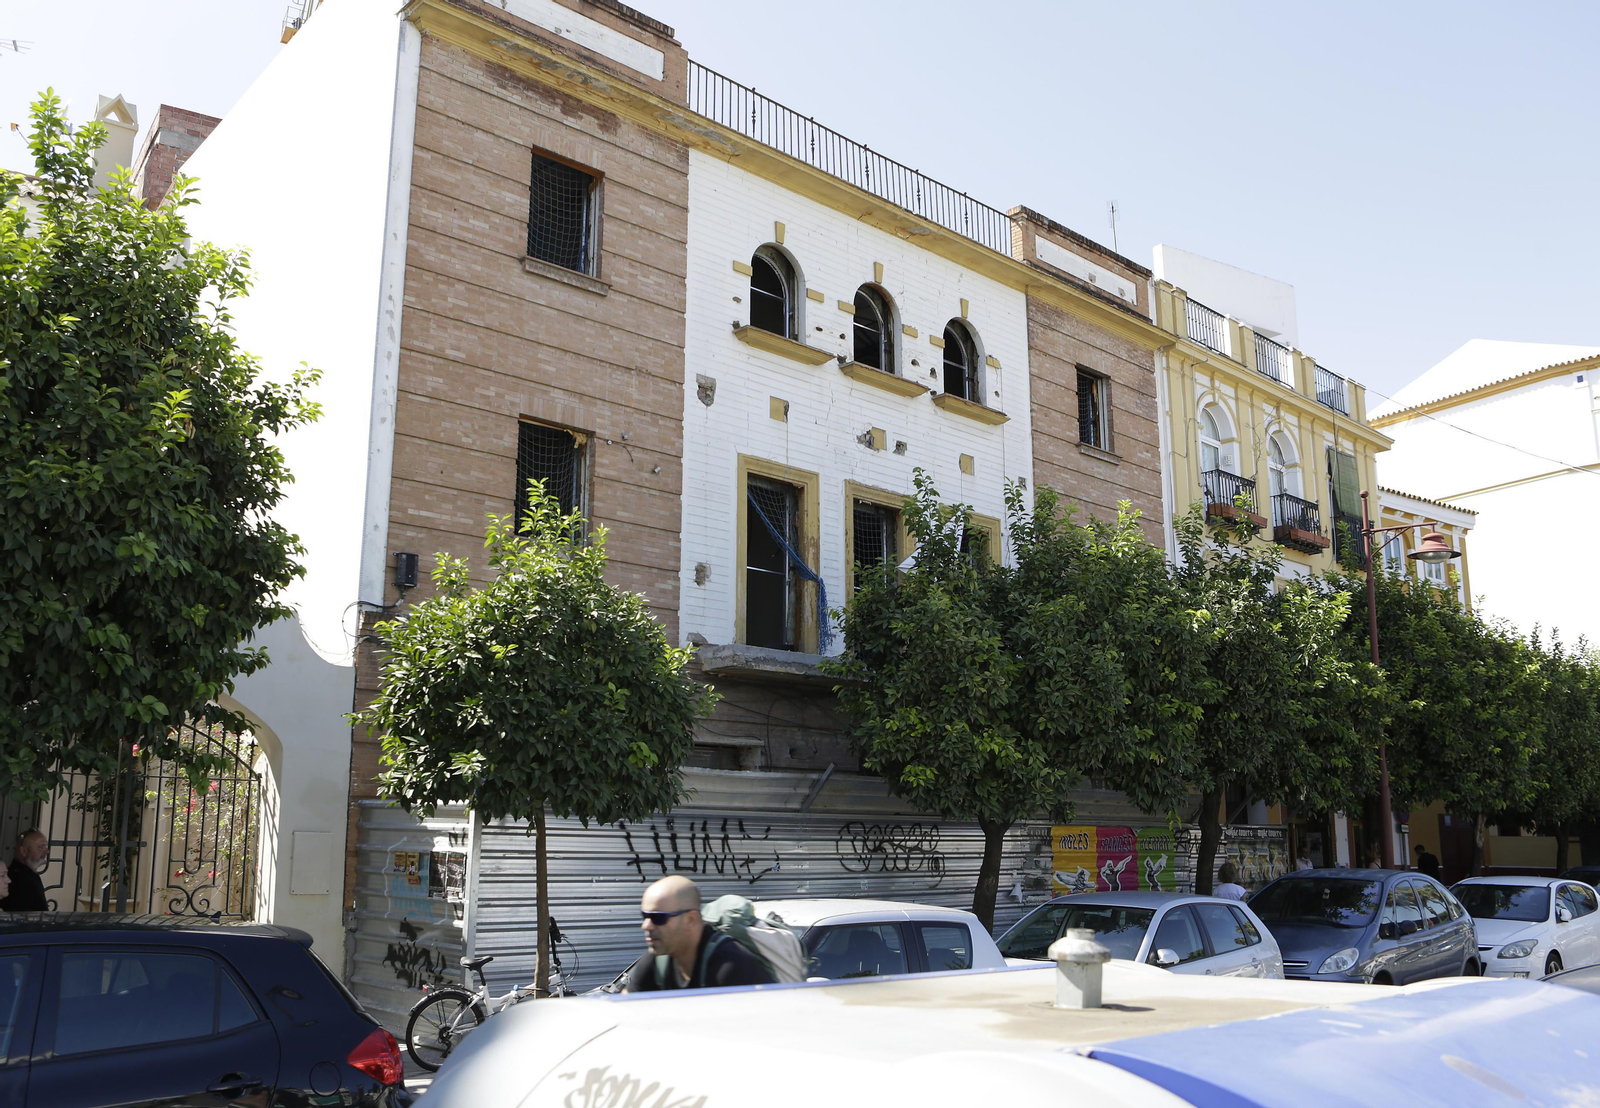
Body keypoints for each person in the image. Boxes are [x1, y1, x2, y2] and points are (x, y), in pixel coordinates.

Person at [623, 875, 774, 992]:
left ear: (690, 920)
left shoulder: (730, 966)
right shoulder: (658, 959)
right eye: (645, 916)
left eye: (658, 917)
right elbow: (626, 1008)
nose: (646, 925)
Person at [0, 830, 47, 912]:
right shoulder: (19, 879)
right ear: (24, 851)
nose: (46, 851)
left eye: (46, 847)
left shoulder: (28, 875)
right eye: (40, 847)